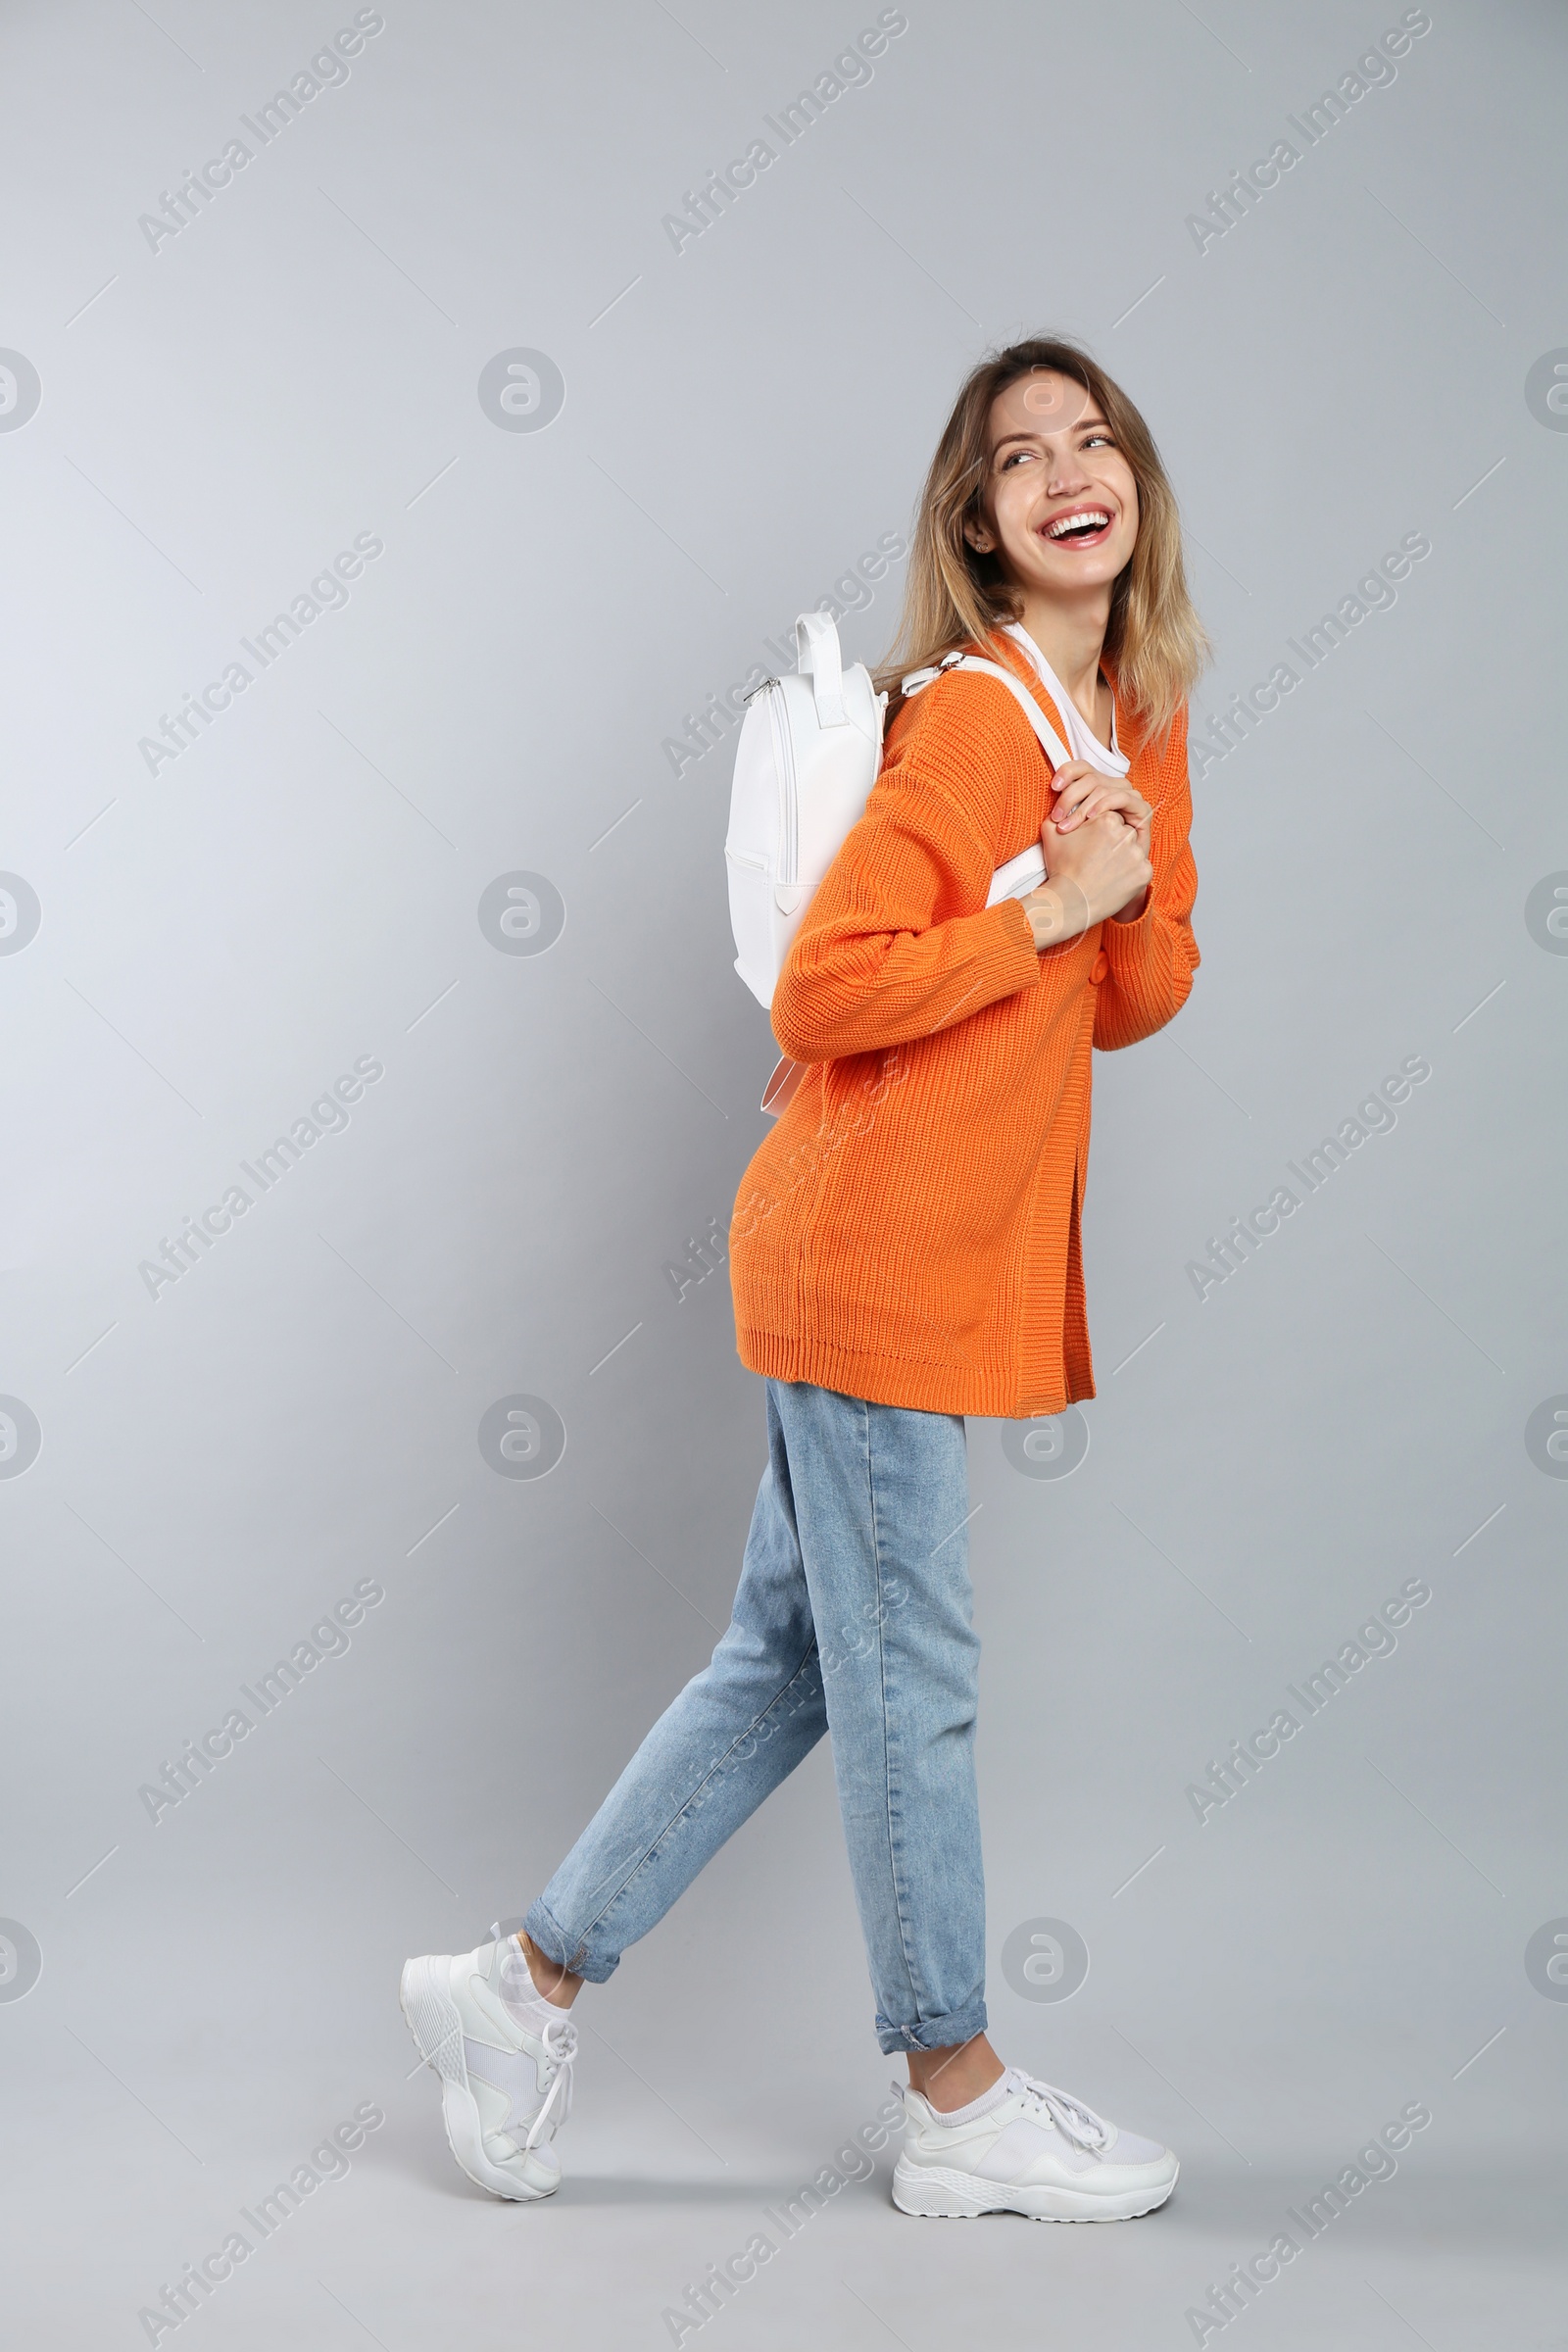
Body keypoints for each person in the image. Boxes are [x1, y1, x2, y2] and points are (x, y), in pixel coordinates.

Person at [401, 334, 1208, 2222]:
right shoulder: (976, 722)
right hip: (862, 1245)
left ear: (1136, 490)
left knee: (786, 1664)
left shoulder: (1125, 715)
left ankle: (512, 1992)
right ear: (983, 527)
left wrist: (1124, 872)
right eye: (1024, 458)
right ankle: (953, 2095)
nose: (1070, 470)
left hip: (914, 1252)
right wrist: (1040, 906)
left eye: (1098, 441)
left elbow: (1146, 997)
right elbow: (829, 985)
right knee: (910, 1665)